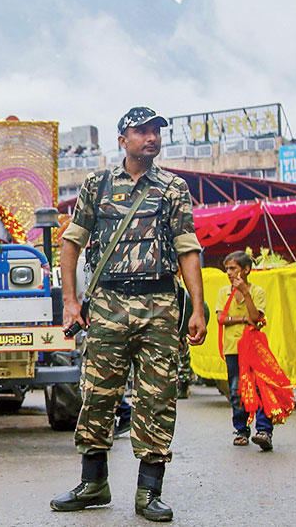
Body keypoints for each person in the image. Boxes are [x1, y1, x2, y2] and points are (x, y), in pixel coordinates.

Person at [52, 106, 207, 522]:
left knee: (157, 396)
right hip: (107, 305)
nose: (151, 137)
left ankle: (148, 491)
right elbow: (71, 245)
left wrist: (198, 308)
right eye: (142, 131)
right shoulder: (97, 184)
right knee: (98, 393)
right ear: (123, 140)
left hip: (159, 305)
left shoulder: (173, 188)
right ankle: (93, 483)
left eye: (156, 131)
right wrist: (70, 302)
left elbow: (188, 249)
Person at [217, 251, 273, 450]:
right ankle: (241, 430)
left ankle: (264, 431)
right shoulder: (224, 292)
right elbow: (221, 319)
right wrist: (241, 320)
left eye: (233, 268)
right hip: (233, 349)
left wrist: (246, 294)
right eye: (227, 269)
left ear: (246, 270)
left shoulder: (256, 292)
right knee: (236, 390)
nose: (229, 273)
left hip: (253, 348)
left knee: (260, 388)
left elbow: (256, 317)